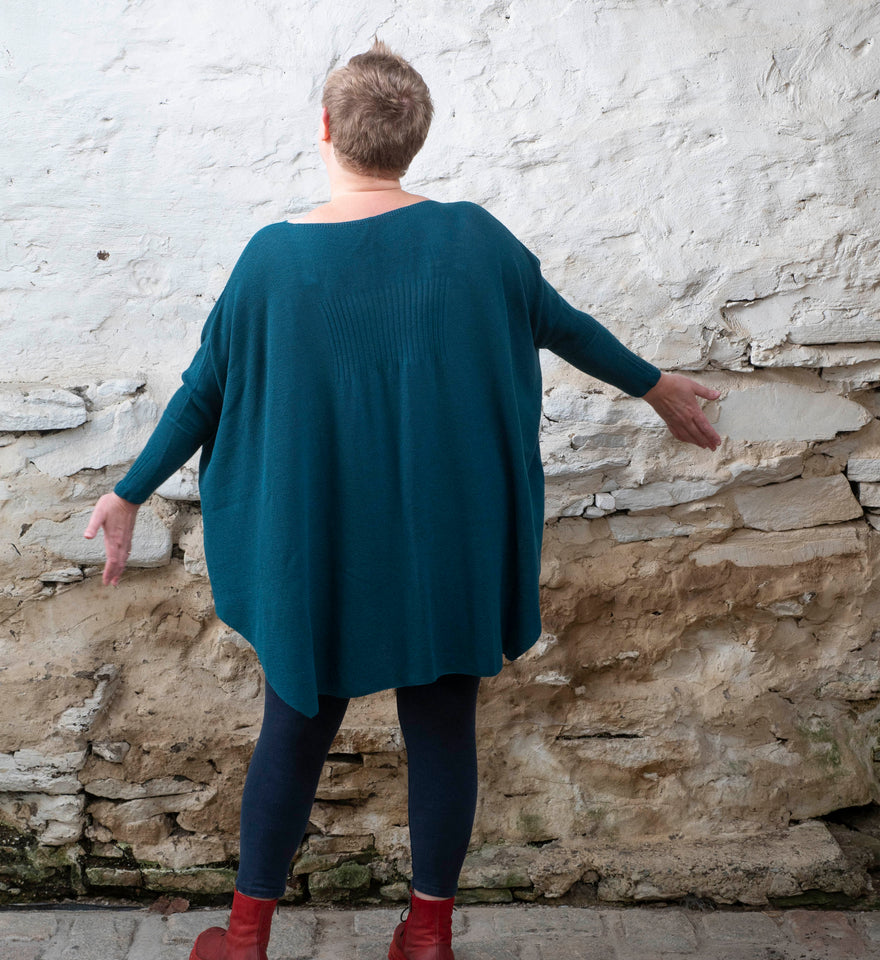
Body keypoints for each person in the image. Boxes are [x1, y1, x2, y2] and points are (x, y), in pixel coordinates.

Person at [84, 39, 722, 960]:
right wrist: (655, 385)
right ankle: (427, 937)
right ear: (416, 139)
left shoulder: (272, 261)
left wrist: (129, 491)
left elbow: (204, 390)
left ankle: (250, 937)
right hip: (443, 541)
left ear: (328, 130)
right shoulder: (476, 240)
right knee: (441, 730)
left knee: (293, 729)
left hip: (320, 544)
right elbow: (569, 329)